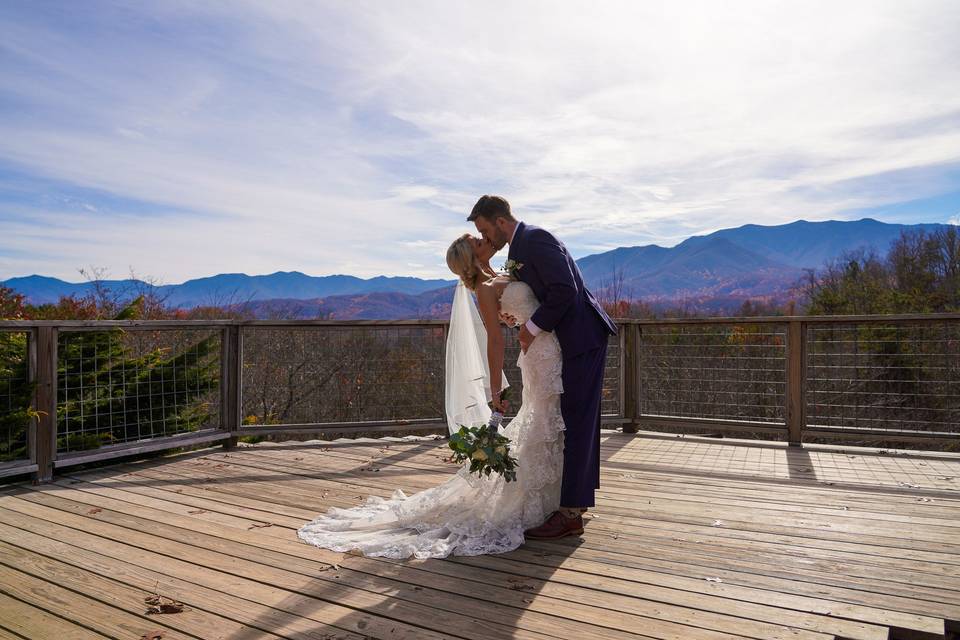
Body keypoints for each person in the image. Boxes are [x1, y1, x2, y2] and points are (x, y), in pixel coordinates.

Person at [297, 229, 567, 558]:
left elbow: (519, 312)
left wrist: (518, 315)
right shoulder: (484, 290)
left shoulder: (502, 275)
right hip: (538, 356)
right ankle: (539, 505)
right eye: (477, 242)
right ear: (473, 256)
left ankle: (551, 502)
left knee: (546, 421)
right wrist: (495, 389)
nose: (485, 241)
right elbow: (494, 342)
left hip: (547, 348)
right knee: (544, 420)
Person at [469, 195, 617, 539]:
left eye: (485, 229)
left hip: (581, 336)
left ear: (500, 221)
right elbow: (539, 293)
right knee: (573, 420)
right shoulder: (519, 248)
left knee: (577, 421)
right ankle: (575, 502)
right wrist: (517, 314)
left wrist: (530, 328)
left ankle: (570, 515)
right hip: (565, 341)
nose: (486, 237)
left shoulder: (535, 239)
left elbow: (566, 290)